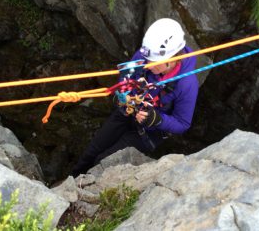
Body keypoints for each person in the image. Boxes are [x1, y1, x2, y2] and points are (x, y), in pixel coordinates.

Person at [71, 18, 199, 177]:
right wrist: (123, 96)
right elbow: (125, 79)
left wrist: (157, 120)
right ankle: (70, 182)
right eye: (149, 60)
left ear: (173, 58)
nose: (149, 66)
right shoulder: (143, 56)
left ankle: (84, 189)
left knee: (103, 163)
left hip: (147, 132)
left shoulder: (187, 83)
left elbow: (183, 123)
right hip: (126, 112)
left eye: (155, 62)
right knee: (92, 151)